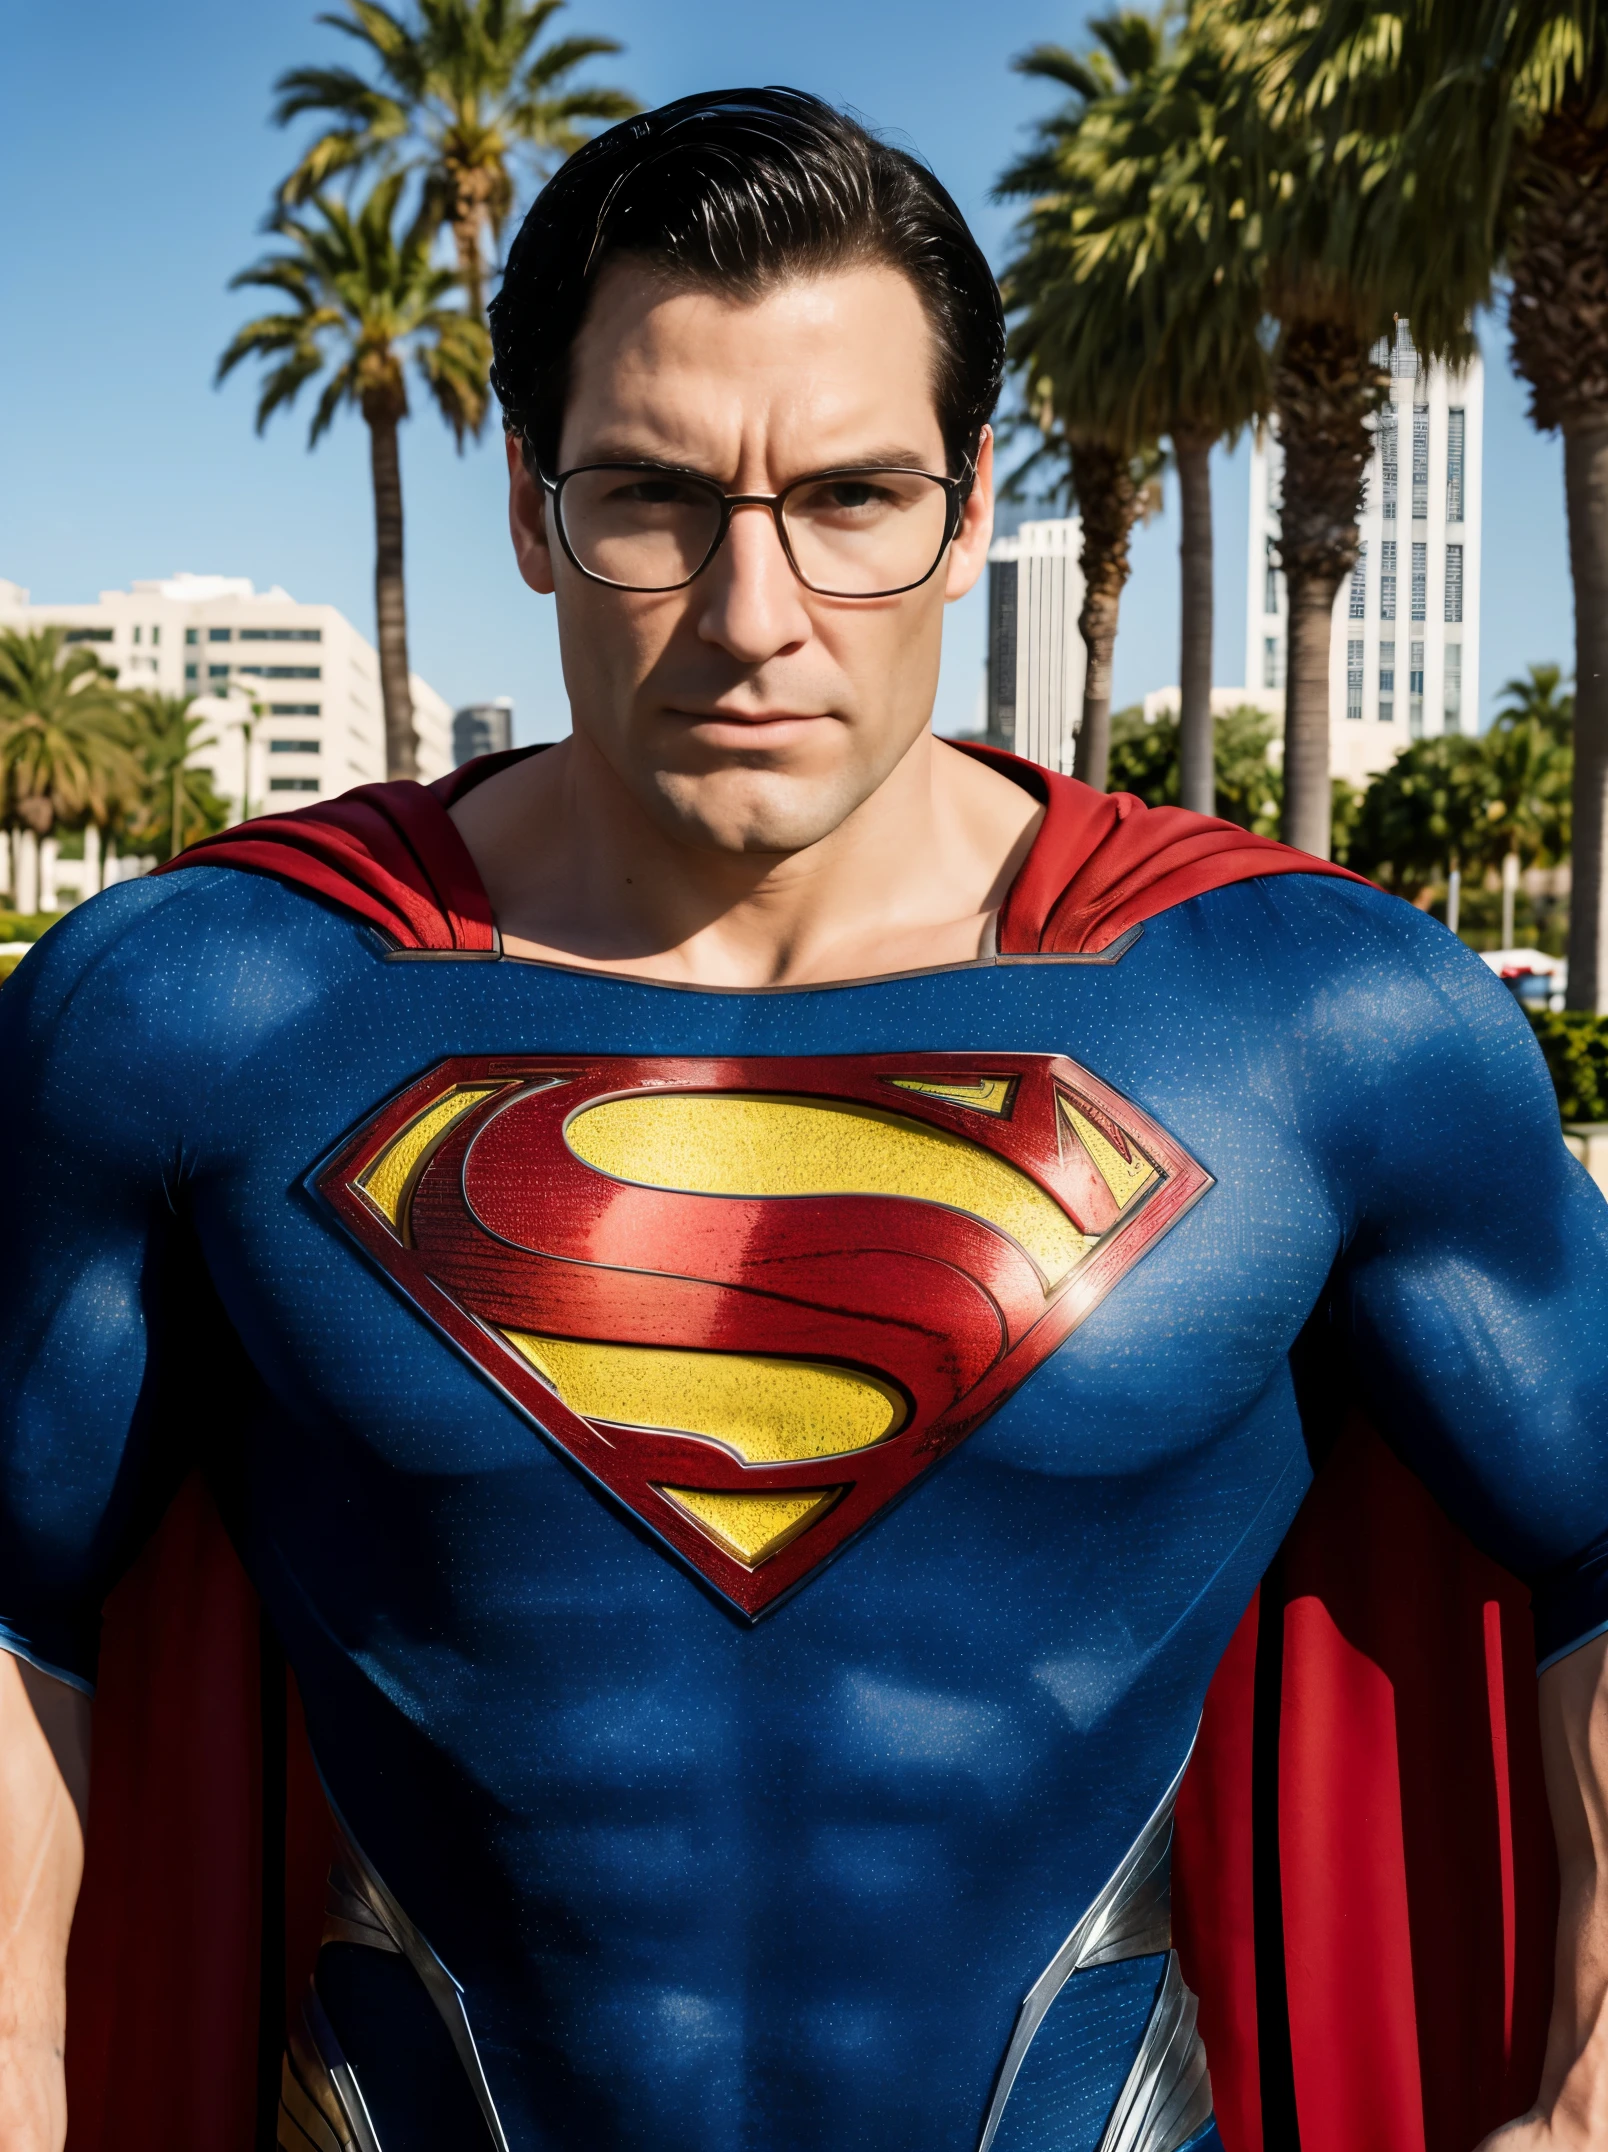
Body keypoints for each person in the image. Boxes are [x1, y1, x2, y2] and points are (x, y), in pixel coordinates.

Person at [1, 87, 1606, 2152]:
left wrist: (1582, 2084)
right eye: (657, 498)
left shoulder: (1317, 1020)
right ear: (528, 503)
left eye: (851, 500)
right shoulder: (205, 1007)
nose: (755, 617)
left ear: (966, 506)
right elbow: (23, 1592)